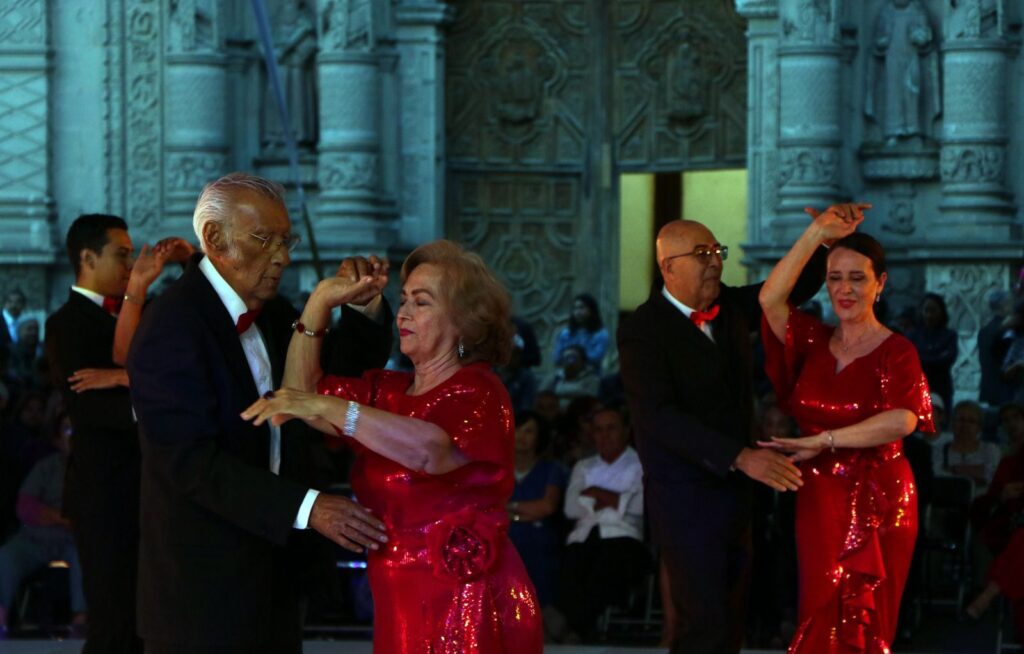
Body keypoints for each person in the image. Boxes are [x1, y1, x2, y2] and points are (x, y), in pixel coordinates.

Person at [126, 173, 393, 654]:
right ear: (214, 239)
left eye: (286, 241)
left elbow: (332, 380)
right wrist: (308, 507)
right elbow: (190, 463)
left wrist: (362, 306)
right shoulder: (172, 325)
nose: (282, 257)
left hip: (274, 577)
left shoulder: (271, 312)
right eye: (264, 239)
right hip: (202, 592)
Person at [242, 239, 543, 653]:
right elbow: (300, 396)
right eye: (402, 300)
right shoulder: (387, 391)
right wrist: (320, 302)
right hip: (396, 590)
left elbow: (430, 451)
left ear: (464, 321)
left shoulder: (480, 390)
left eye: (421, 302)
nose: (402, 313)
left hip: (465, 597)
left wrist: (329, 406)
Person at [618, 213, 833, 654]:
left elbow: (788, 289)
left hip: (737, 496)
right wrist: (739, 455)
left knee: (732, 622)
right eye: (702, 254)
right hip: (685, 498)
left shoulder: (730, 307)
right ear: (668, 267)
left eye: (717, 251)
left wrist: (824, 239)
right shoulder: (643, 328)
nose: (715, 261)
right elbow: (658, 417)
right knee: (703, 625)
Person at [758, 207, 934, 653]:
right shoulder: (813, 341)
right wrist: (816, 233)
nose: (845, 289)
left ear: (880, 283)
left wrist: (826, 440)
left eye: (857, 278)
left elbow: (904, 419)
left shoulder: (898, 351)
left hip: (882, 496)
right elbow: (770, 299)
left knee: (869, 623)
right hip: (820, 495)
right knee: (819, 611)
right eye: (835, 278)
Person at [44, 213, 190, 654]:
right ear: (88, 258)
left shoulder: (137, 310)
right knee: (113, 618)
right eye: (121, 255)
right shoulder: (67, 323)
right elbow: (93, 408)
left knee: (149, 619)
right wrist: (156, 396)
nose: (130, 265)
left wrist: (130, 379)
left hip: (149, 488)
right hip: (104, 492)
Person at [556, 406, 649, 641]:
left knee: (607, 569)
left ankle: (578, 630)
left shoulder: (641, 464)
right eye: (598, 430)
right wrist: (618, 499)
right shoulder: (583, 466)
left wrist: (595, 493)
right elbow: (570, 508)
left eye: (611, 428)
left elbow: (640, 506)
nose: (605, 435)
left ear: (626, 431)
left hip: (624, 536)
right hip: (584, 535)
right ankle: (580, 630)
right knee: (569, 569)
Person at [0, 412, 85, 637]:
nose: (72, 435)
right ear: (58, 437)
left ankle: (81, 620)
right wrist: (59, 517)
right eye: (67, 429)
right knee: (6, 556)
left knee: (86, 556)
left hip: (75, 540)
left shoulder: (94, 471)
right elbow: (25, 506)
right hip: (36, 538)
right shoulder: (46, 467)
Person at [507, 410, 566, 610]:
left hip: (540, 540)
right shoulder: (499, 468)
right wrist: (528, 512)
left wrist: (511, 509)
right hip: (504, 537)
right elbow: (492, 505)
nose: (522, 436)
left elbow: (547, 506)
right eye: (518, 430)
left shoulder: (551, 469)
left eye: (529, 431)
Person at [935, 400, 1002, 495]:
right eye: (961, 420)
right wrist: (975, 471)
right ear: (952, 423)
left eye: (971, 421)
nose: (965, 425)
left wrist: (954, 469)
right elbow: (937, 478)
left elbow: (992, 476)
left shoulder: (991, 450)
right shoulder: (939, 450)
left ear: (979, 427)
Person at [908, 292, 958, 419]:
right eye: (926, 310)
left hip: (941, 387)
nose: (929, 315)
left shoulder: (949, 335)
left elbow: (948, 359)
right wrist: (935, 356)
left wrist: (922, 358)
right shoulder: (913, 335)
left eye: (933, 311)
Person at [553, 293, 610, 371]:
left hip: (591, 374)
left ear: (591, 310)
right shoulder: (566, 334)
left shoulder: (601, 334)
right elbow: (557, 358)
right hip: (567, 374)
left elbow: (596, 357)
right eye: (575, 308)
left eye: (581, 308)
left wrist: (576, 356)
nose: (577, 312)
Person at [979, 290, 1013, 407]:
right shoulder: (1007, 330)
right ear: (1003, 305)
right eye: (1009, 303)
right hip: (1005, 387)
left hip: (989, 386)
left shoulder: (984, 331)